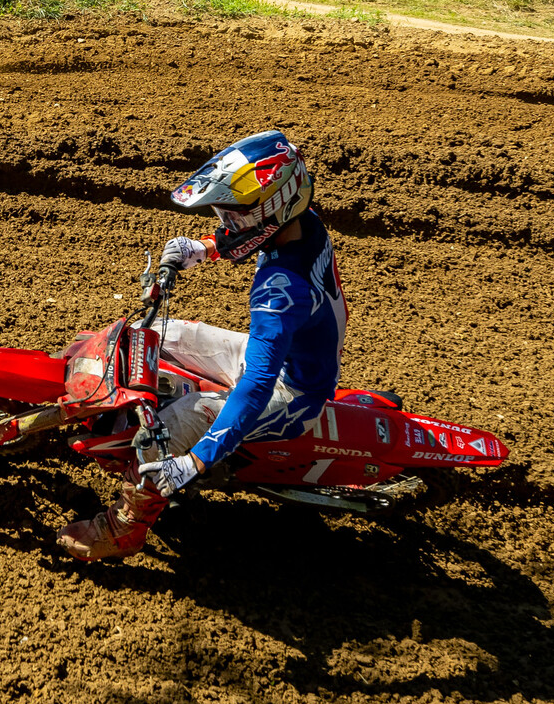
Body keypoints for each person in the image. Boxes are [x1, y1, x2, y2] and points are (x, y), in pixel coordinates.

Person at [52, 132, 345, 562]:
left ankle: (123, 529)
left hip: (292, 393)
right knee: (159, 335)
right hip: (285, 356)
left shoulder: (280, 292)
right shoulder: (304, 224)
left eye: (234, 215)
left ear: (274, 207)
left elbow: (257, 386)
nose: (226, 223)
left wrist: (195, 461)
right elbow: (253, 233)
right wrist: (205, 248)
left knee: (168, 430)